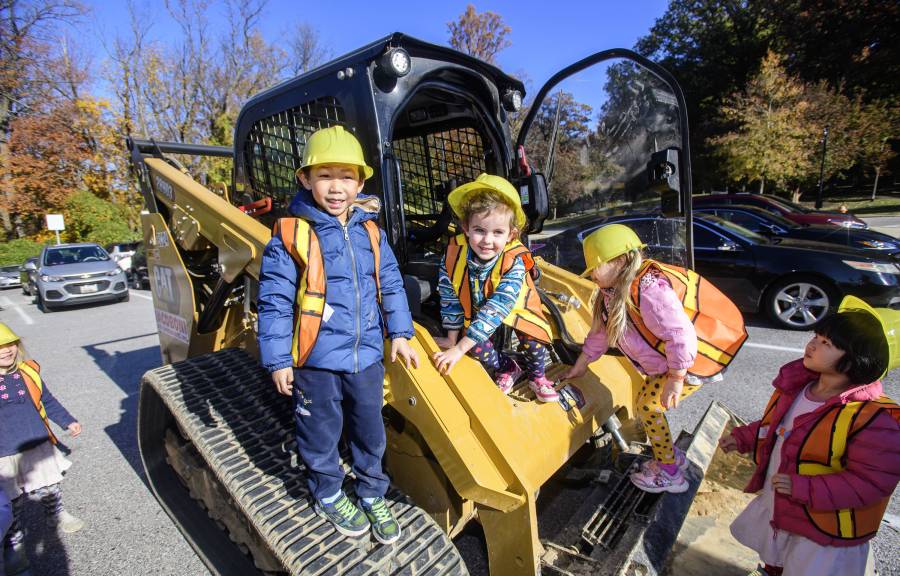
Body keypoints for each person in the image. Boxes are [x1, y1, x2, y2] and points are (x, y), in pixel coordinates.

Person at [258, 125, 418, 545]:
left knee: (370, 428)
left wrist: (400, 332)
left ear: (360, 182)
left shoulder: (371, 232)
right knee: (320, 431)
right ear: (305, 180)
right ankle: (327, 491)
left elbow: (392, 283)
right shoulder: (291, 236)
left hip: (365, 357)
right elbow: (273, 302)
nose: (336, 187)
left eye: (346, 177)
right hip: (314, 360)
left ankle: (371, 491)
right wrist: (277, 360)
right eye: (325, 176)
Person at [721, 296, 899, 576]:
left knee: (808, 574)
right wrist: (744, 437)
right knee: (778, 543)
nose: (813, 345)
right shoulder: (800, 387)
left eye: (827, 342)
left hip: (824, 521)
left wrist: (804, 487)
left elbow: (870, 483)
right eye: (815, 337)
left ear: (860, 358)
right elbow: (777, 426)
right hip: (785, 498)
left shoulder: (874, 419)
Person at [561, 224, 701, 493]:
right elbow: (599, 335)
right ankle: (670, 458)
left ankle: (670, 474)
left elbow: (681, 334)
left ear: (621, 261)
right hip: (665, 367)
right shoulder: (609, 295)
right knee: (645, 406)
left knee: (649, 407)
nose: (591, 276)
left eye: (595, 269)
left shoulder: (650, 291)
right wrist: (580, 366)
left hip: (683, 366)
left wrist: (676, 377)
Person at [432, 174, 559, 402]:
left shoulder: (514, 262)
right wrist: (453, 339)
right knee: (474, 345)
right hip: (481, 313)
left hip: (516, 310)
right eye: (479, 230)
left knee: (534, 338)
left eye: (497, 233)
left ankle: (537, 377)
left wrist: (459, 348)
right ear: (466, 228)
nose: (487, 241)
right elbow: (450, 299)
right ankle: (508, 367)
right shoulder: (452, 257)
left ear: (510, 234)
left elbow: (499, 306)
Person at [0, 323, 83, 576]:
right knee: (11, 500)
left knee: (50, 485)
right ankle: (13, 542)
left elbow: (47, 399)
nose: (6, 351)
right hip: (4, 451)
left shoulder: (28, 372)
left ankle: (56, 514)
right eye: (0, 347)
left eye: (11, 344)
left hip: (37, 441)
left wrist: (68, 420)